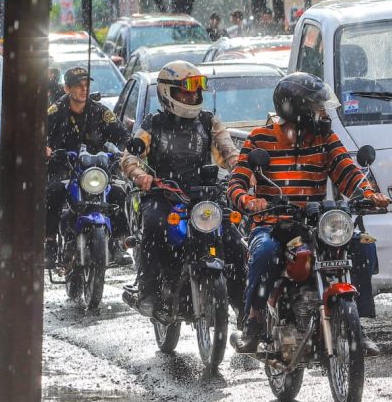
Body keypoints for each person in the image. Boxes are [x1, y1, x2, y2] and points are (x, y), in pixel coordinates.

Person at [226, 72, 390, 354]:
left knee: (363, 247)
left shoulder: (325, 139)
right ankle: (253, 321)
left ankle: (356, 324)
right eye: (317, 107)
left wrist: (368, 194)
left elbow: (348, 171)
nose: (324, 113)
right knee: (265, 254)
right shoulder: (260, 138)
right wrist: (249, 201)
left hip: (317, 224)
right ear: (297, 109)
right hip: (273, 225)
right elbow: (236, 183)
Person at [120, 60, 244, 317]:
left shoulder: (209, 122)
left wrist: (241, 170)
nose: (191, 95)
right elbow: (130, 157)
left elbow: (229, 152)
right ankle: (150, 294)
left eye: (195, 89)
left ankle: (244, 307)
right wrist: (141, 175)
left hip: (204, 195)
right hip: (163, 194)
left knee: (233, 238)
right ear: (168, 92)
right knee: (154, 226)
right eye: (185, 89)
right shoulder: (153, 123)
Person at [45, 66, 131, 267]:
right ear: (67, 88)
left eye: (86, 85)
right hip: (65, 167)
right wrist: (46, 149)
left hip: (96, 169)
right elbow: (41, 134)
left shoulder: (100, 112)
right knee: (54, 191)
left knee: (118, 192)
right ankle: (49, 243)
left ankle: (118, 243)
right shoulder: (56, 111)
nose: (84, 90)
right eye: (78, 86)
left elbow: (121, 134)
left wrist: (131, 146)